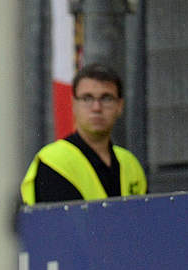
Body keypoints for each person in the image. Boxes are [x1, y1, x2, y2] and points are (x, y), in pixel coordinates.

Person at [20, 63, 147, 205]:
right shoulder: (54, 161)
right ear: (74, 104)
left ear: (120, 106)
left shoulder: (130, 164)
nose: (96, 107)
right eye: (87, 98)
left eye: (106, 98)